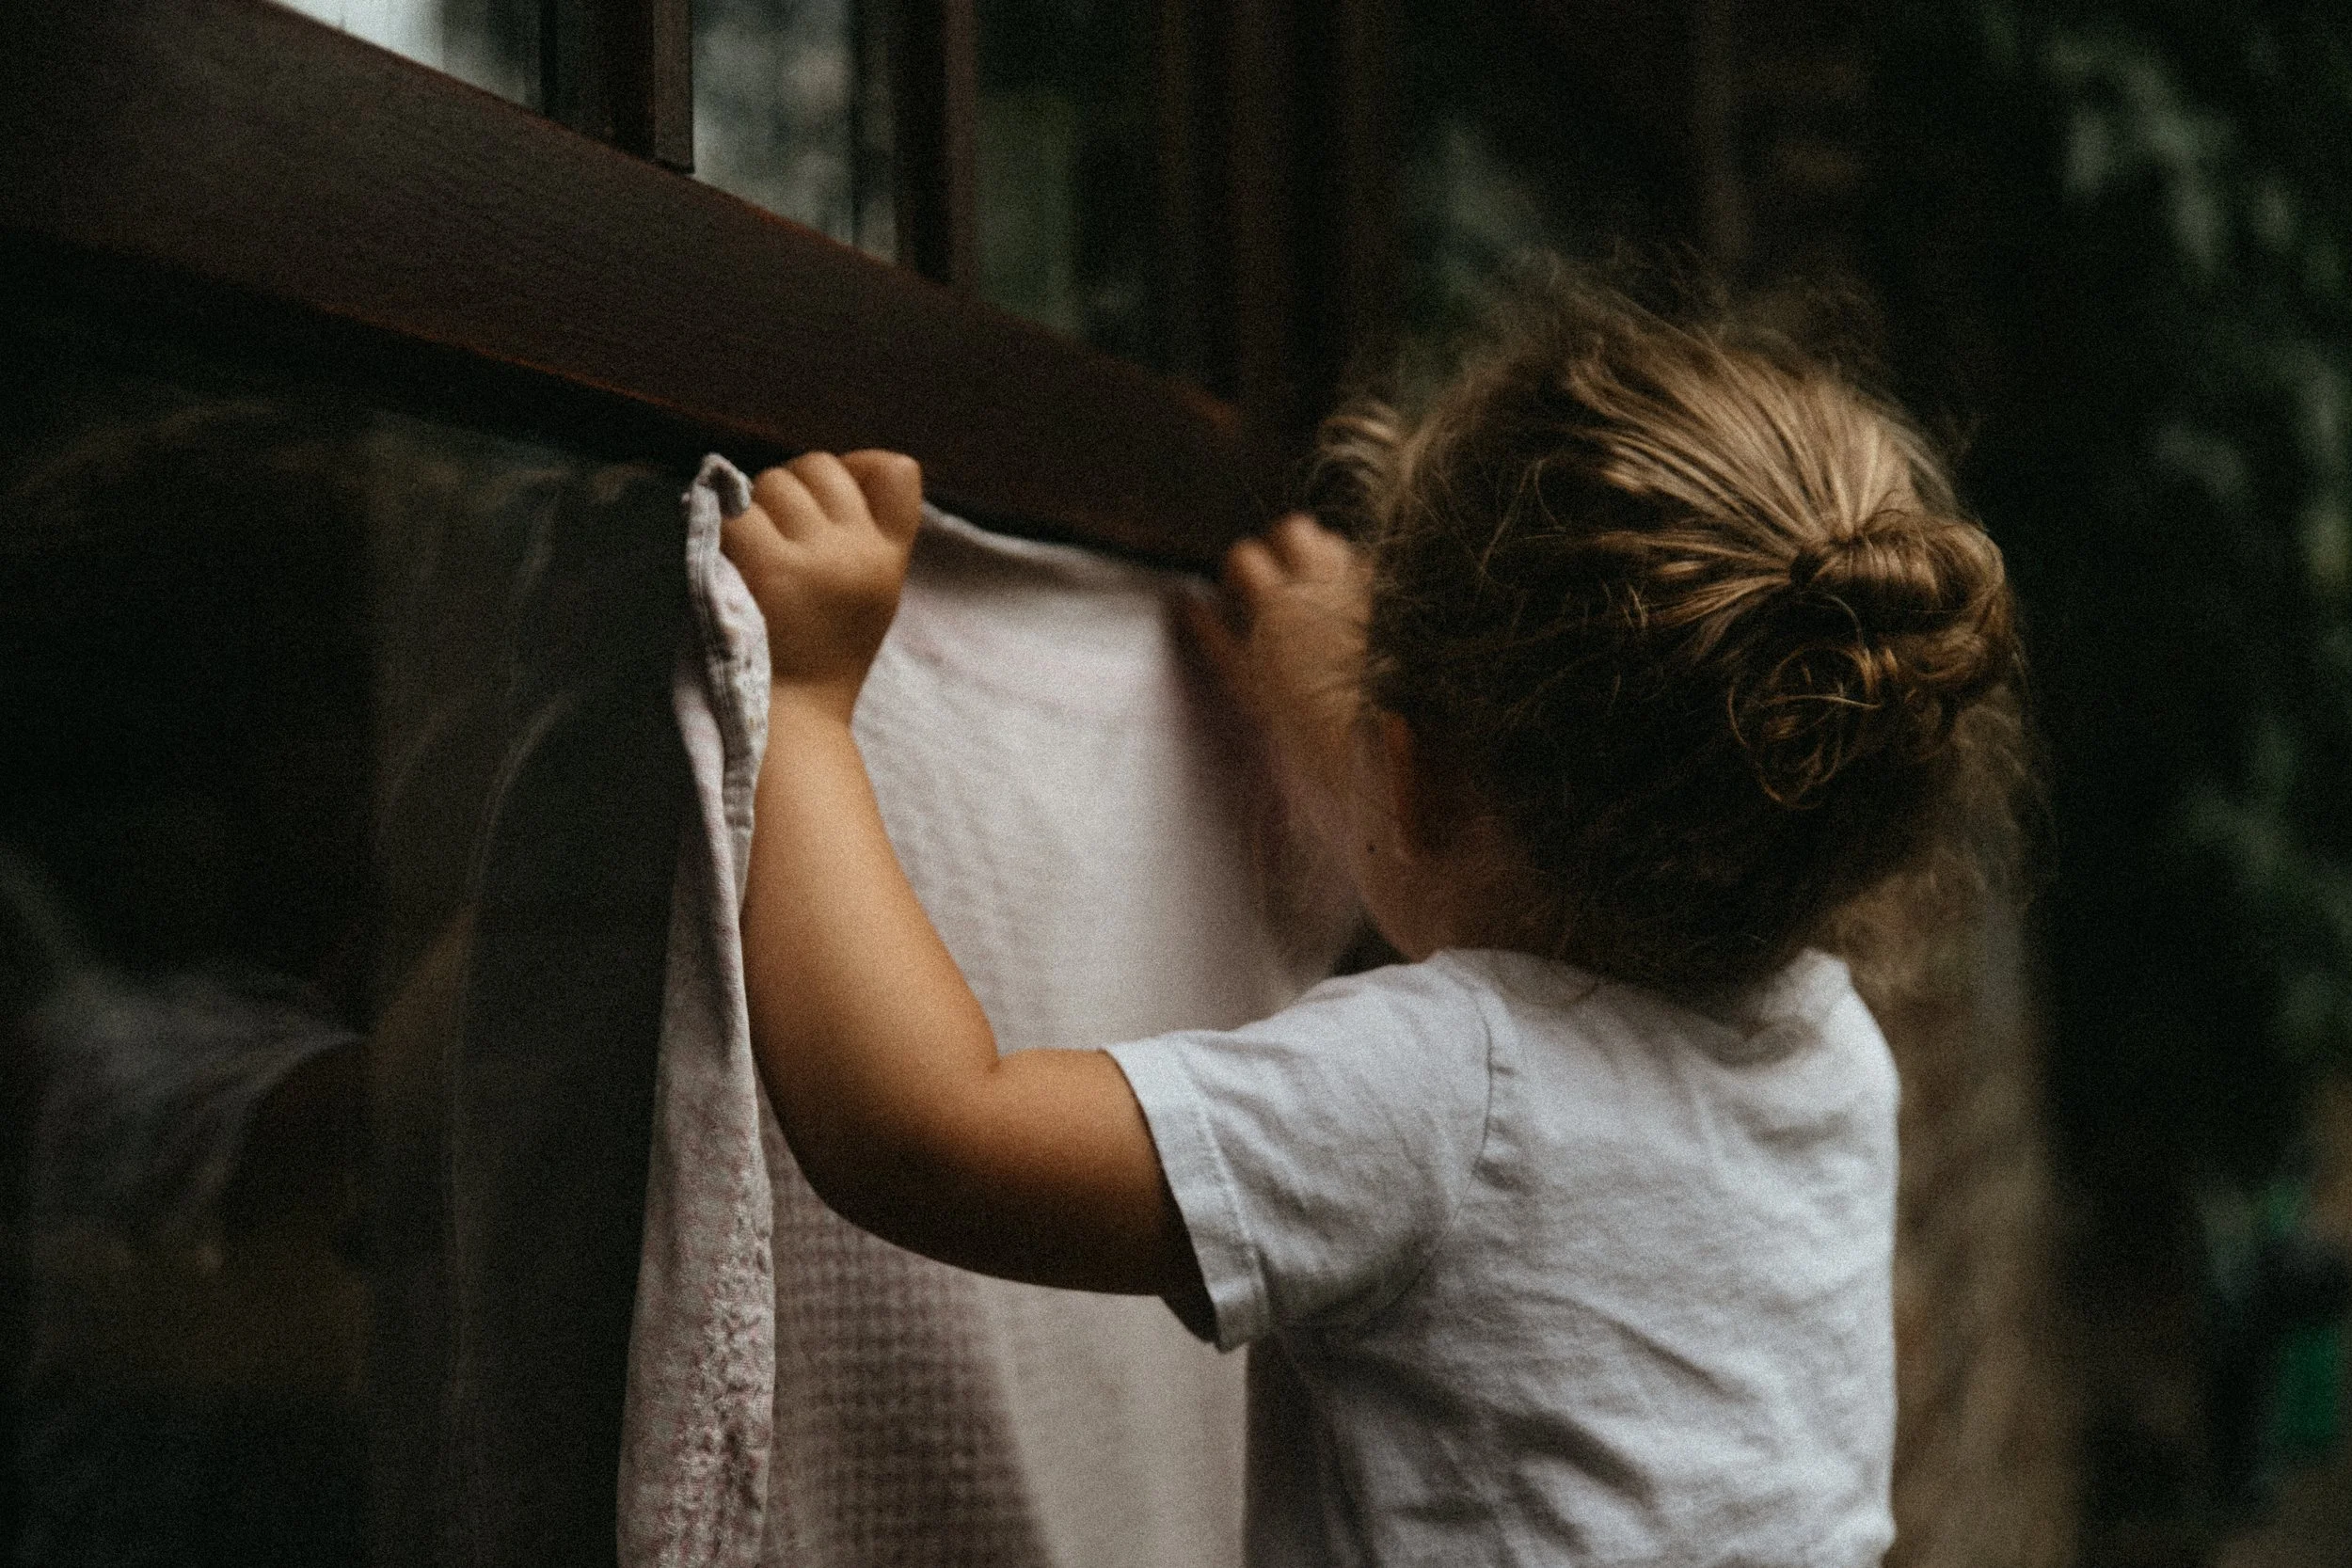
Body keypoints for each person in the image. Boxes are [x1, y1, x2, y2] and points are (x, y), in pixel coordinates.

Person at [723, 270, 2027, 1565]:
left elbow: (924, 1133)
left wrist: (810, 698)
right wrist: (1368, 730)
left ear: (1405, 767)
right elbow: (1537, 944)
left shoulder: (1441, 1094)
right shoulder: (1831, 1050)